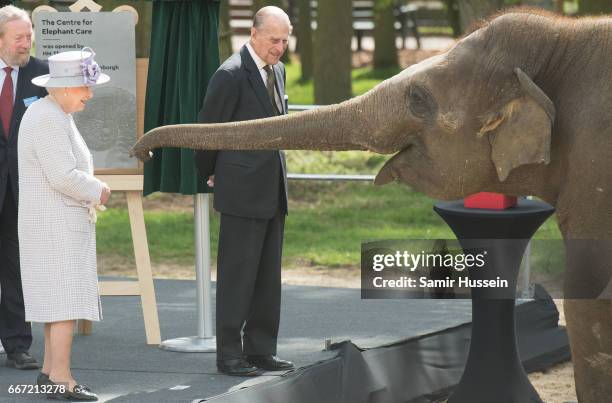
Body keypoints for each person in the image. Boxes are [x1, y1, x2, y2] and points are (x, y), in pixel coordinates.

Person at [194, 6, 294, 376]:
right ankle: (230, 356)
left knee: (268, 278)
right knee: (238, 277)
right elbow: (207, 132)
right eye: (273, 40)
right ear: (253, 34)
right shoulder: (230, 74)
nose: (280, 47)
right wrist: (210, 173)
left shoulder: (278, 70)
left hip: (272, 190)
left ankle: (261, 351)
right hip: (240, 190)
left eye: (285, 40)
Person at [18, 48, 110, 401]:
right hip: (54, 226)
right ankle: (62, 379)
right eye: (86, 87)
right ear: (68, 87)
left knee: (57, 303)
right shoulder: (48, 117)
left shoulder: (52, 113)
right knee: (63, 305)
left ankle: (48, 372)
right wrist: (99, 190)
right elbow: (62, 175)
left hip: (54, 225)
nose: (90, 94)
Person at [0, 5, 48, 371]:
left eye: (29, 35)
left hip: (22, 189)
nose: (26, 42)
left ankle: (17, 345)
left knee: (17, 269)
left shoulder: (42, 75)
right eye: (19, 37)